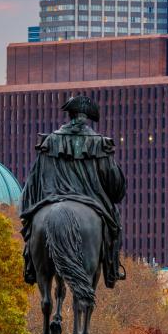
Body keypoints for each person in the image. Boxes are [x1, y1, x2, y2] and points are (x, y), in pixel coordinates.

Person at [19, 95, 126, 289]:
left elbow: (33, 181)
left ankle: (30, 265)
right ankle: (112, 268)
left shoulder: (49, 141)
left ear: (70, 115)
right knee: (115, 226)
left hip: (51, 198)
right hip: (91, 200)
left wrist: (29, 211)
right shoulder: (100, 143)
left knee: (34, 224)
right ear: (88, 117)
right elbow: (114, 184)